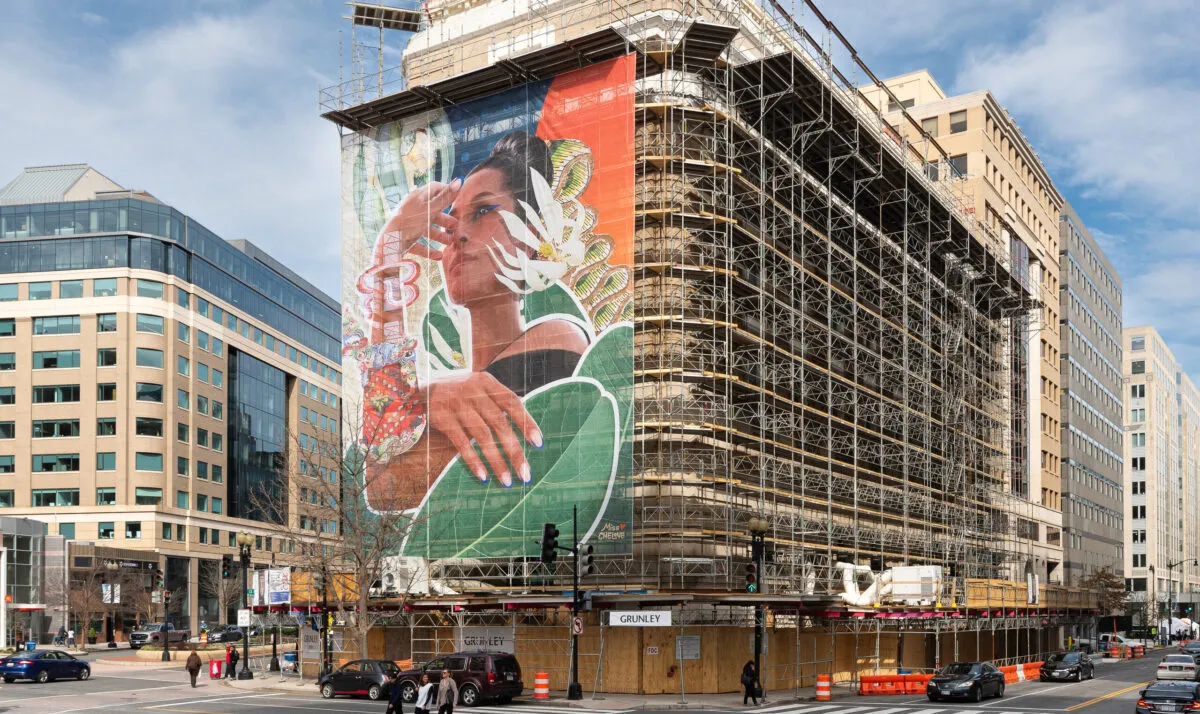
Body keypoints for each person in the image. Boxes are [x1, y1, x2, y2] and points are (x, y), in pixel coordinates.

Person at [354, 131, 590, 511]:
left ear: (530, 237)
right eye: (449, 225)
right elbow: (381, 487)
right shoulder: (456, 388)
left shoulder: (559, 336)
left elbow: (390, 476)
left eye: (482, 212)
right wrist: (390, 250)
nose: (458, 235)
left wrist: (417, 403)